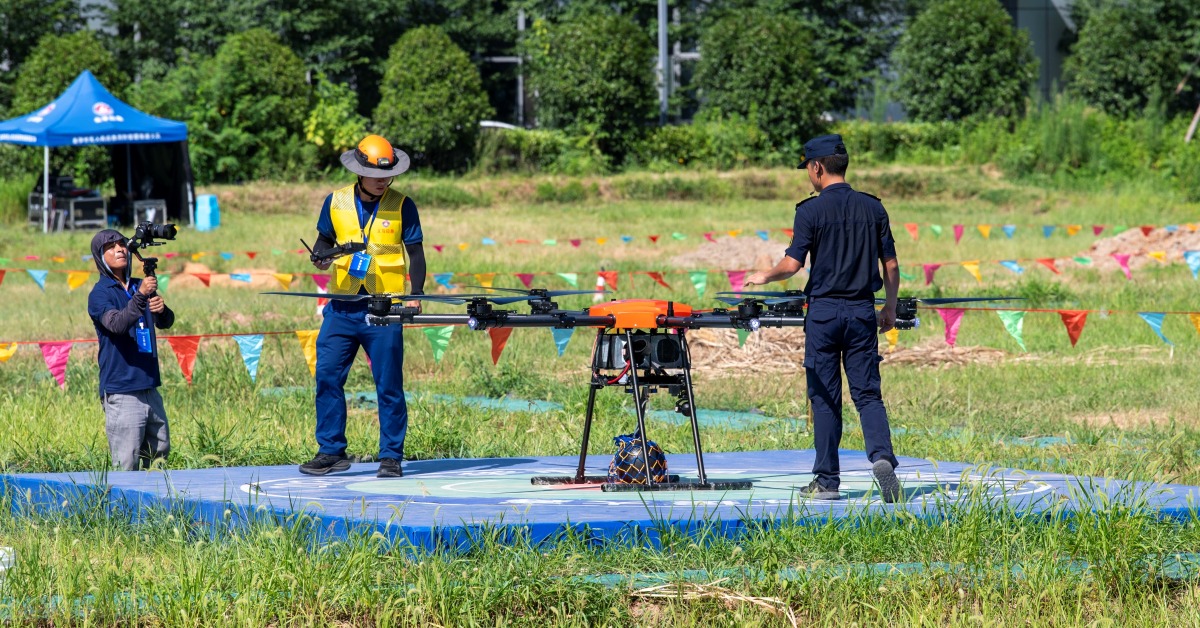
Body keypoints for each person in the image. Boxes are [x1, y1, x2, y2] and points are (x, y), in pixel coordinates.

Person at [745, 134, 903, 503]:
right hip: (862, 311)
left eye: (807, 168)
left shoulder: (810, 211)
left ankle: (827, 482)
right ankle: (882, 457)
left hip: (824, 315)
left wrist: (764, 275)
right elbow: (892, 265)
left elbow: (792, 265)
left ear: (817, 167)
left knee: (825, 398)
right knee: (867, 394)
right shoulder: (874, 208)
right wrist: (890, 307)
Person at [299, 134, 427, 478]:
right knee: (327, 376)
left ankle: (391, 456)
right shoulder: (335, 201)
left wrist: (416, 293)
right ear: (359, 172)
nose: (383, 181)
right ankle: (331, 451)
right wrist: (320, 257)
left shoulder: (403, 205)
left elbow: (416, 254)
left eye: (388, 175)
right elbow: (323, 241)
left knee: (388, 384)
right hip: (342, 307)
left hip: (385, 309)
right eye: (376, 175)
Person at [87, 229, 175, 471]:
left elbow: (166, 322)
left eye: (122, 244)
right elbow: (116, 324)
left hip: (149, 386)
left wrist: (161, 310)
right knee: (126, 464)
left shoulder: (139, 284)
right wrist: (141, 296)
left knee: (159, 456)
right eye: (111, 247)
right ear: (100, 256)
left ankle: (155, 498)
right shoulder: (99, 294)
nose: (119, 249)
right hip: (122, 390)